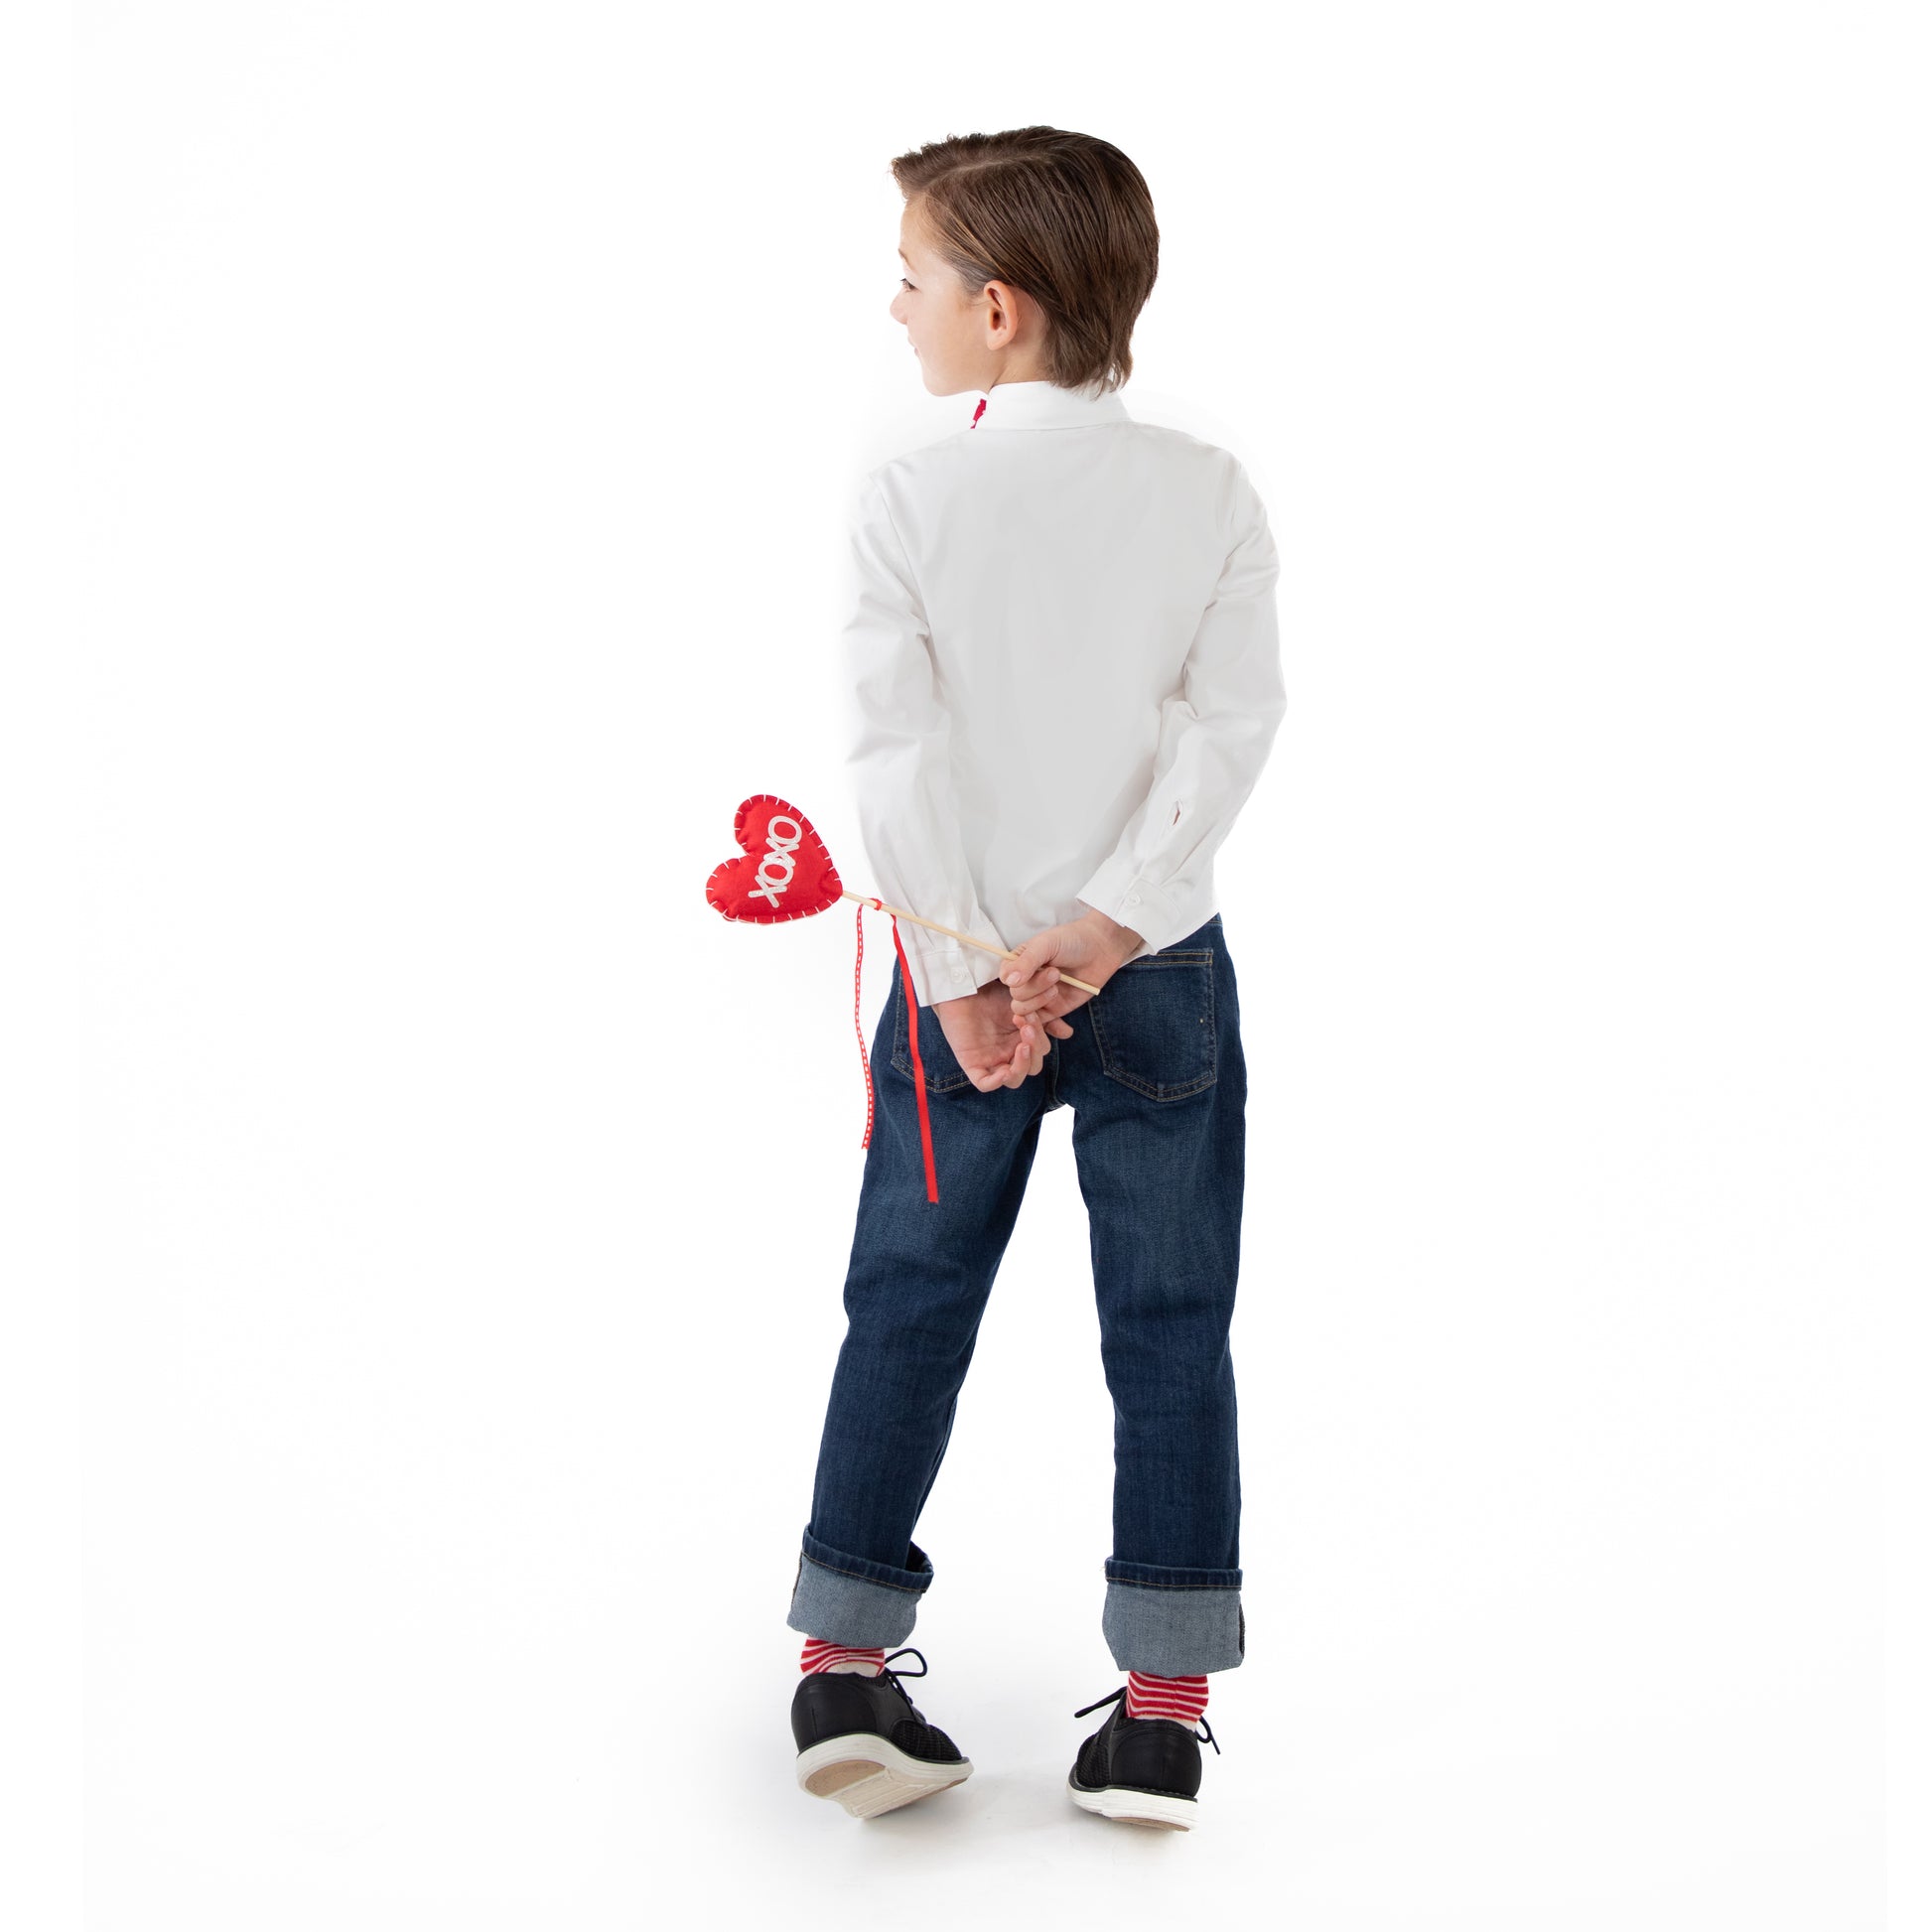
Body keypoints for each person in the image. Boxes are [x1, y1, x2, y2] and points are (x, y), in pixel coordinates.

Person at [786, 126, 1287, 1831]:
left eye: (914, 277)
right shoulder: (1206, 487)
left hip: (961, 978)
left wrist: (957, 967)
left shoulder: (907, 487)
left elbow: (894, 748)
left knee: (906, 1301)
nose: (896, 305)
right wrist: (1116, 922)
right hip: (1151, 977)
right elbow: (1227, 733)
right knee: (1170, 1324)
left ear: (995, 310)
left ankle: (842, 1667)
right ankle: (1158, 1714)